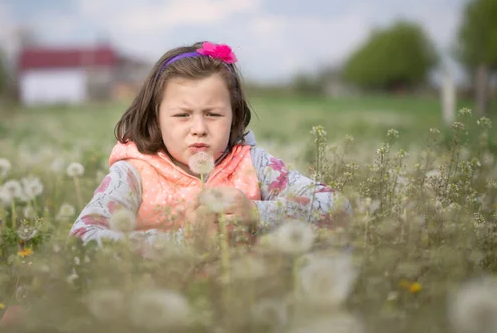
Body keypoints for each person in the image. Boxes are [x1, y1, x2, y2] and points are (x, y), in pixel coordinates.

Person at [69, 41, 345, 249]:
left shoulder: (254, 164)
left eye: (213, 114)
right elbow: (81, 239)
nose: (199, 129)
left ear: (234, 114)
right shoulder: (133, 174)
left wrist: (256, 213)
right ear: (156, 117)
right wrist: (183, 241)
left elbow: (340, 208)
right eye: (182, 115)